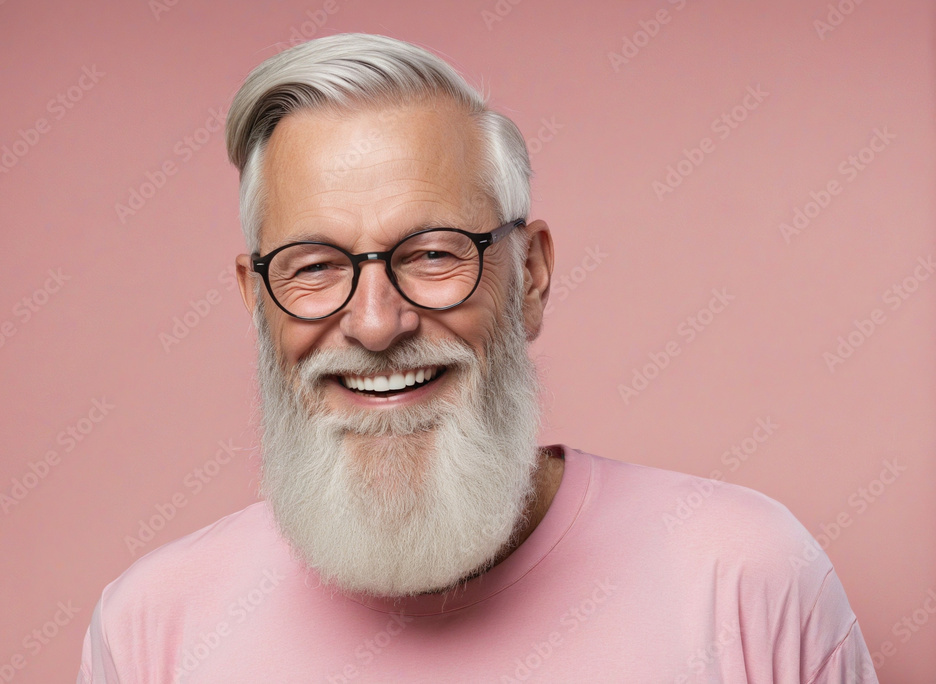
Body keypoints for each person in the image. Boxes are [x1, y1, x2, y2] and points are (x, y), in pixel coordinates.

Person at [78, 33, 878, 683]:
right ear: (256, 302)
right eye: (314, 266)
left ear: (529, 277)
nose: (376, 322)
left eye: (431, 254)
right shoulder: (152, 630)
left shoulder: (746, 579)